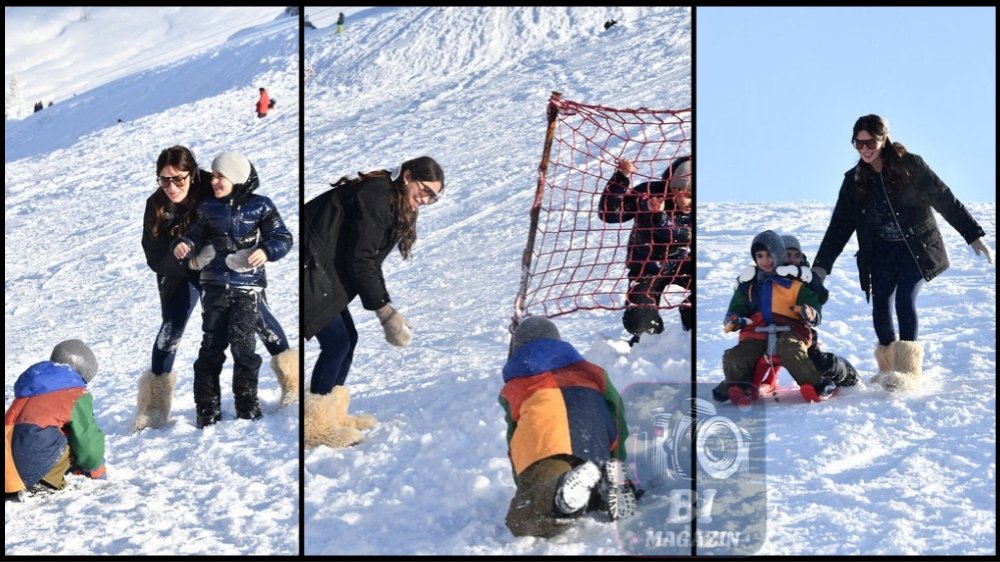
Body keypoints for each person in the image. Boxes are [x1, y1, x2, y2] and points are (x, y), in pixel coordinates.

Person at [812, 114, 992, 391]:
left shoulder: (911, 166)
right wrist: (821, 266)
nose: (865, 149)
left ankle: (908, 370)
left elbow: (945, 199)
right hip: (881, 252)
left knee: (904, 298)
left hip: (916, 248)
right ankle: (887, 369)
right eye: (858, 144)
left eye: (870, 142)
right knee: (881, 304)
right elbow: (839, 226)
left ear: (883, 139)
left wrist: (973, 235)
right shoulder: (855, 180)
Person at [136, 146, 298, 432]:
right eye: (164, 179)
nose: (171, 186)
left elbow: (242, 199)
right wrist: (190, 260)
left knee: (258, 317)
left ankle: (293, 383)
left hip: (224, 270)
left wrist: (256, 251)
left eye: (179, 179)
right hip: (178, 274)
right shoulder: (157, 204)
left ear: (193, 173)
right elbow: (153, 255)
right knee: (171, 328)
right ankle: (154, 407)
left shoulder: (213, 184)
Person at [302, 156, 444, 447]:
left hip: (324, 269)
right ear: (407, 176)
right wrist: (385, 311)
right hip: (309, 266)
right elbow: (361, 259)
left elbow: (361, 259)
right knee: (336, 343)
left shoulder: (391, 199)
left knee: (348, 339)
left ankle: (333, 416)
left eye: (434, 196)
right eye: (426, 190)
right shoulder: (376, 196)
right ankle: (315, 429)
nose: (427, 200)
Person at [499, 316, 636, 538]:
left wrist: (525, 482)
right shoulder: (594, 372)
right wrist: (617, 459)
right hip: (595, 444)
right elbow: (616, 413)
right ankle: (605, 482)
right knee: (586, 483)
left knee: (525, 519)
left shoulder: (515, 386)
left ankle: (558, 500)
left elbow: (513, 441)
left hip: (550, 447)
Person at [712, 230, 835, 402]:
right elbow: (738, 306)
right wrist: (734, 318)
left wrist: (809, 312)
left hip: (792, 330)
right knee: (735, 356)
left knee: (790, 349)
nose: (765, 261)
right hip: (758, 331)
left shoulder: (795, 281)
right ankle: (740, 383)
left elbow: (814, 302)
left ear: (778, 255)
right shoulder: (750, 283)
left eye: (769, 256)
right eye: (760, 256)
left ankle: (815, 383)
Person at [597, 155, 693, 343]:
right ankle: (652, 345)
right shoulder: (648, 194)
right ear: (674, 188)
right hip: (646, 267)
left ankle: (688, 331)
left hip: (681, 262)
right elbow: (609, 214)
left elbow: (683, 235)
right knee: (639, 322)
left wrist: (659, 217)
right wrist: (621, 178)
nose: (688, 201)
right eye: (686, 194)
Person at [5, 340, 106, 501]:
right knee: (75, 436)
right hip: (27, 466)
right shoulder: (74, 392)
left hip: (8, 468)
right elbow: (87, 441)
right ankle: (44, 481)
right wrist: (97, 471)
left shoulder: (35, 386)